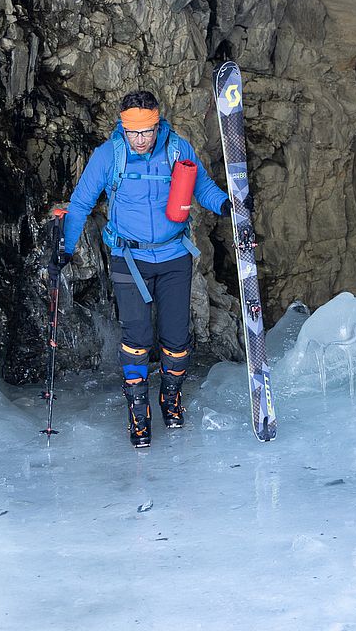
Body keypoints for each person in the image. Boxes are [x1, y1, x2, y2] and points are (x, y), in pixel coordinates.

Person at [50, 90, 231, 448]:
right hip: (128, 259)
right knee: (136, 339)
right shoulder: (109, 156)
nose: (141, 139)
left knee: (177, 339)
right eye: (133, 132)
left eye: (146, 131)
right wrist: (66, 250)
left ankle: (170, 397)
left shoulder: (177, 149)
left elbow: (203, 188)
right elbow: (82, 202)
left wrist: (227, 205)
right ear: (123, 127)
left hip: (173, 256)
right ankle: (138, 409)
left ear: (157, 122)